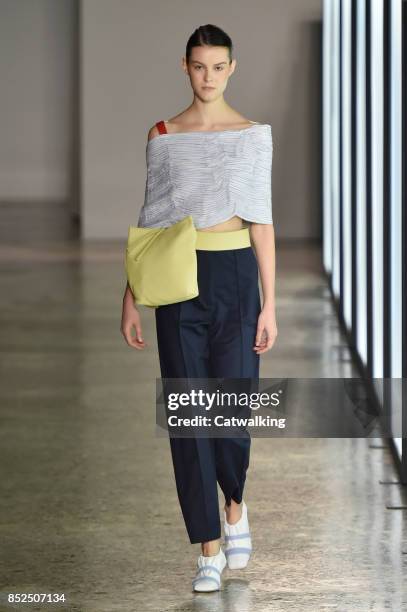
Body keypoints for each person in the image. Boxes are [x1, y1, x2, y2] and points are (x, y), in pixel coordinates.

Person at [121, 23, 277, 592]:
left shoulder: (254, 134)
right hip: (180, 281)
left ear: (231, 68)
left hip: (236, 278)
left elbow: (262, 222)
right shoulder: (163, 134)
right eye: (198, 66)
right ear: (184, 67)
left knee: (231, 411)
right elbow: (152, 219)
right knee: (190, 418)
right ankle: (207, 546)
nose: (207, 77)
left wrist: (270, 305)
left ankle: (234, 503)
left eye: (217, 66)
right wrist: (132, 298)